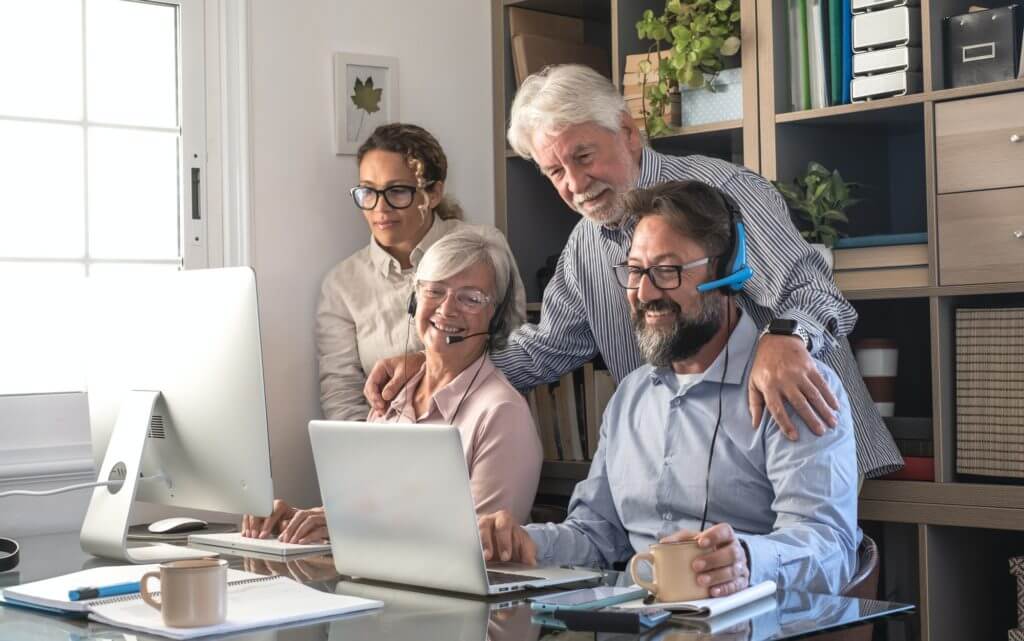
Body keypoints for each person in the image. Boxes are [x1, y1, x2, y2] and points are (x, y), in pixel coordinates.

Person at [366, 64, 901, 479]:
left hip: (804, 441)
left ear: (627, 131)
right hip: (699, 468)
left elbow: (814, 291)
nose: (575, 184)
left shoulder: (725, 194)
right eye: (555, 170)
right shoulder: (582, 249)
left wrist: (785, 337)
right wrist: (435, 367)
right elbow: (544, 351)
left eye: (584, 156)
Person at [477, 181, 860, 596]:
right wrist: (527, 543)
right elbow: (598, 534)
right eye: (635, 271)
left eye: (666, 271)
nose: (643, 293)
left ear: (727, 273)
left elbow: (830, 546)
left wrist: (746, 560)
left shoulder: (794, 385)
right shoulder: (631, 396)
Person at [242, 229, 543, 542]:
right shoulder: (394, 396)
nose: (447, 309)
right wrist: (299, 522)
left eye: (470, 298)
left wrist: (347, 527)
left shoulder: (502, 414)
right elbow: (364, 510)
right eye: (435, 291)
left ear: (495, 318)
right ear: (414, 300)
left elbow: (478, 549)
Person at [317, 123, 525, 422]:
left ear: (434, 192)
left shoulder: (483, 249)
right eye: (368, 192)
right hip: (386, 450)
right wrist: (364, 457)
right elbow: (342, 397)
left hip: (480, 426)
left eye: (397, 191)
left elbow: (515, 350)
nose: (380, 208)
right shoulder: (342, 285)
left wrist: (426, 364)